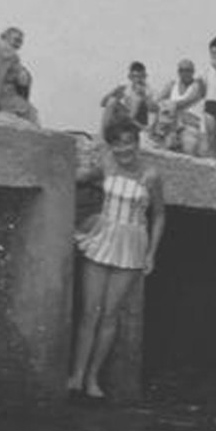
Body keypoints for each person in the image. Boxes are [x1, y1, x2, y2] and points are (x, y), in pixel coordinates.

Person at [67, 116, 166, 402]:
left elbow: (159, 215)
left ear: (137, 143)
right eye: (117, 145)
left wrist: (151, 254)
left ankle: (93, 379)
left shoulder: (151, 175)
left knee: (110, 315)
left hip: (131, 243)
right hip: (102, 237)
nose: (124, 150)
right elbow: (80, 179)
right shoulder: (107, 163)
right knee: (90, 312)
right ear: (111, 146)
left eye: (129, 143)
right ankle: (76, 376)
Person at [152, 59, 205, 155]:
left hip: (189, 124)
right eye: (182, 70)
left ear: (193, 72)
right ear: (178, 72)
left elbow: (187, 101)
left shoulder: (197, 86)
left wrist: (169, 105)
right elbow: (156, 102)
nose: (185, 73)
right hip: (171, 123)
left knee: (189, 148)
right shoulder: (172, 85)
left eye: (188, 70)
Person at [100, 62, 158, 131]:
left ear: (145, 76)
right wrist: (113, 92)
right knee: (112, 101)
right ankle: (103, 137)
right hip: (128, 118)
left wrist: (144, 97)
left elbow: (154, 110)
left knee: (138, 99)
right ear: (130, 77)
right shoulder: (125, 88)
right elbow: (103, 103)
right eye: (135, 76)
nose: (138, 80)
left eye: (141, 76)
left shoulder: (149, 91)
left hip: (140, 122)